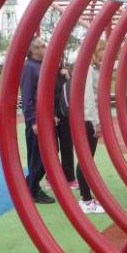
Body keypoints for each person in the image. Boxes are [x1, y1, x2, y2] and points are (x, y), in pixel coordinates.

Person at [20, 37, 55, 204]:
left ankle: (31, 184)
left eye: (44, 45)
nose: (45, 48)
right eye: (42, 46)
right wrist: (32, 121)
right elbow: (27, 97)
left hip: (46, 119)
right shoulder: (29, 68)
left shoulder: (42, 66)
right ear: (33, 50)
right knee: (38, 158)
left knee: (50, 153)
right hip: (36, 122)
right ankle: (33, 190)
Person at [75, 40, 106, 214]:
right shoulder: (88, 69)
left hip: (89, 118)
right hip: (87, 119)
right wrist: (95, 122)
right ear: (94, 51)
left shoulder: (95, 68)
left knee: (88, 158)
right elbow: (88, 97)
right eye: (101, 49)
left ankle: (87, 197)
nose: (104, 52)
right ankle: (85, 199)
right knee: (86, 159)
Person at [52, 62, 78, 190]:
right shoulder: (47, 73)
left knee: (67, 146)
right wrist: (52, 113)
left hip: (65, 115)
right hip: (53, 115)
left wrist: (68, 76)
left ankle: (69, 177)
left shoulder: (64, 74)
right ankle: (51, 178)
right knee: (53, 148)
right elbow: (45, 95)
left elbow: (74, 88)